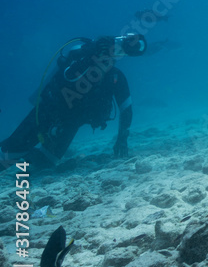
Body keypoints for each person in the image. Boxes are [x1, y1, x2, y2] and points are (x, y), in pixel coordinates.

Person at [1, 33, 146, 168]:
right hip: (47, 111)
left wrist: (122, 138)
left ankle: (23, 162)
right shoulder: (81, 62)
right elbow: (126, 109)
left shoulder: (115, 77)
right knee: (8, 152)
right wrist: (91, 48)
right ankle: (18, 158)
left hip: (69, 122)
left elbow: (126, 108)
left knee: (46, 162)